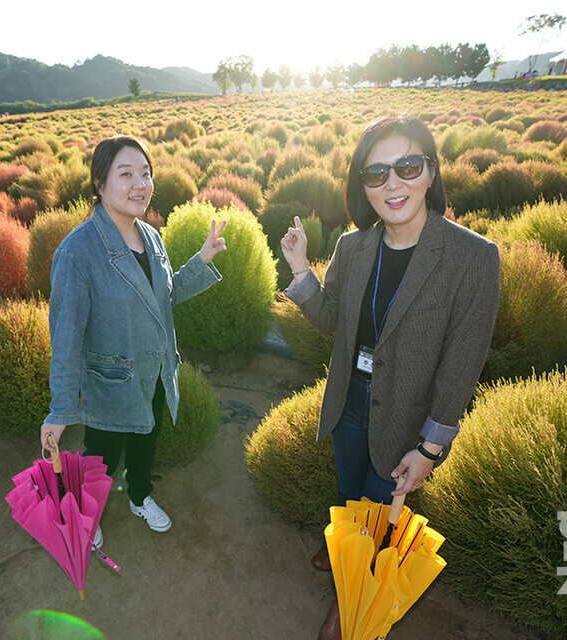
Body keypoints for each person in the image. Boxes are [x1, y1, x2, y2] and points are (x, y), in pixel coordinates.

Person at [279, 114, 501, 640]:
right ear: (363, 185)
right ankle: (340, 544)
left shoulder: (473, 257)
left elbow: (460, 366)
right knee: (348, 489)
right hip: (349, 400)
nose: (392, 183)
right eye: (376, 173)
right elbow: (336, 324)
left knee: (381, 510)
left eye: (407, 166)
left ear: (431, 172)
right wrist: (300, 271)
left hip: (406, 414)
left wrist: (429, 449)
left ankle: (346, 602)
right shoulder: (353, 249)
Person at [40, 135, 227, 548]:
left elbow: (164, 296)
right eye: (126, 174)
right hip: (110, 381)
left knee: (147, 441)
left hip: (155, 370)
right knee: (100, 458)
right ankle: (87, 516)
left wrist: (202, 260)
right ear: (99, 183)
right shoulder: (77, 252)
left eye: (146, 174)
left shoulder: (151, 236)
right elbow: (66, 338)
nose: (139, 183)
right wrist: (60, 409)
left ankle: (140, 495)